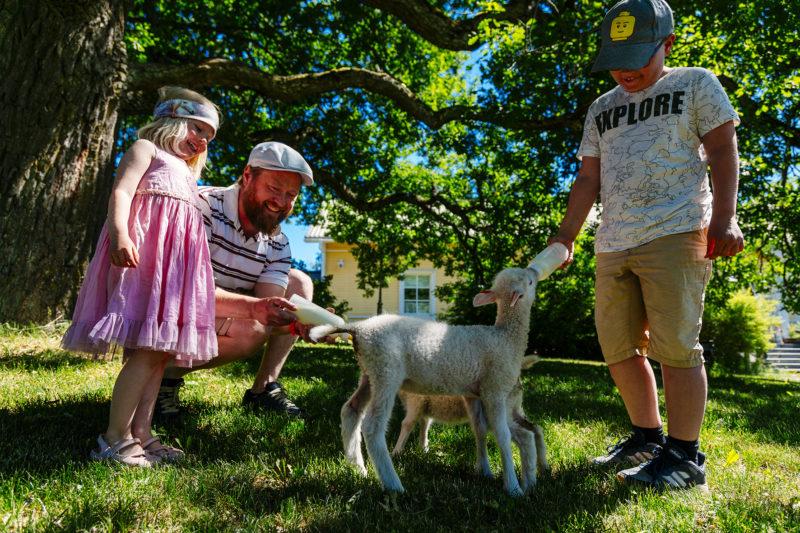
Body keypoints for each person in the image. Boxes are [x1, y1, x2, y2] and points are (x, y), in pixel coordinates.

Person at [550, 0, 743, 490]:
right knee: (617, 346)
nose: (626, 68)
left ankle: (685, 457)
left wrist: (725, 218)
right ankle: (647, 438)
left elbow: (722, 149)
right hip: (613, 240)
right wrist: (565, 236)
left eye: (638, 54)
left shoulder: (695, 84)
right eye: (617, 56)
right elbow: (587, 178)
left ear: (668, 44)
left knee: (676, 347)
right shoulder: (602, 108)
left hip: (677, 231)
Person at [62, 86, 251, 466]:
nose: (200, 142)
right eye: (196, 129)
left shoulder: (186, 173)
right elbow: (121, 192)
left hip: (174, 269)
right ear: (171, 121)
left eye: (208, 138)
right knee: (147, 352)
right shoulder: (146, 150)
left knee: (159, 352)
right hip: (145, 262)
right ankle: (114, 437)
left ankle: (142, 434)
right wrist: (120, 233)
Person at [155, 141, 317, 419]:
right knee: (251, 327)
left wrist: (297, 322)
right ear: (247, 175)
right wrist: (258, 311)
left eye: (292, 194)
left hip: (218, 311)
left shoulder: (277, 241)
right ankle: (161, 378)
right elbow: (184, 290)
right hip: (167, 311)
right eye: (274, 188)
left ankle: (263, 389)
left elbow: (268, 305)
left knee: (299, 285)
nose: (282, 202)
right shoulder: (201, 206)